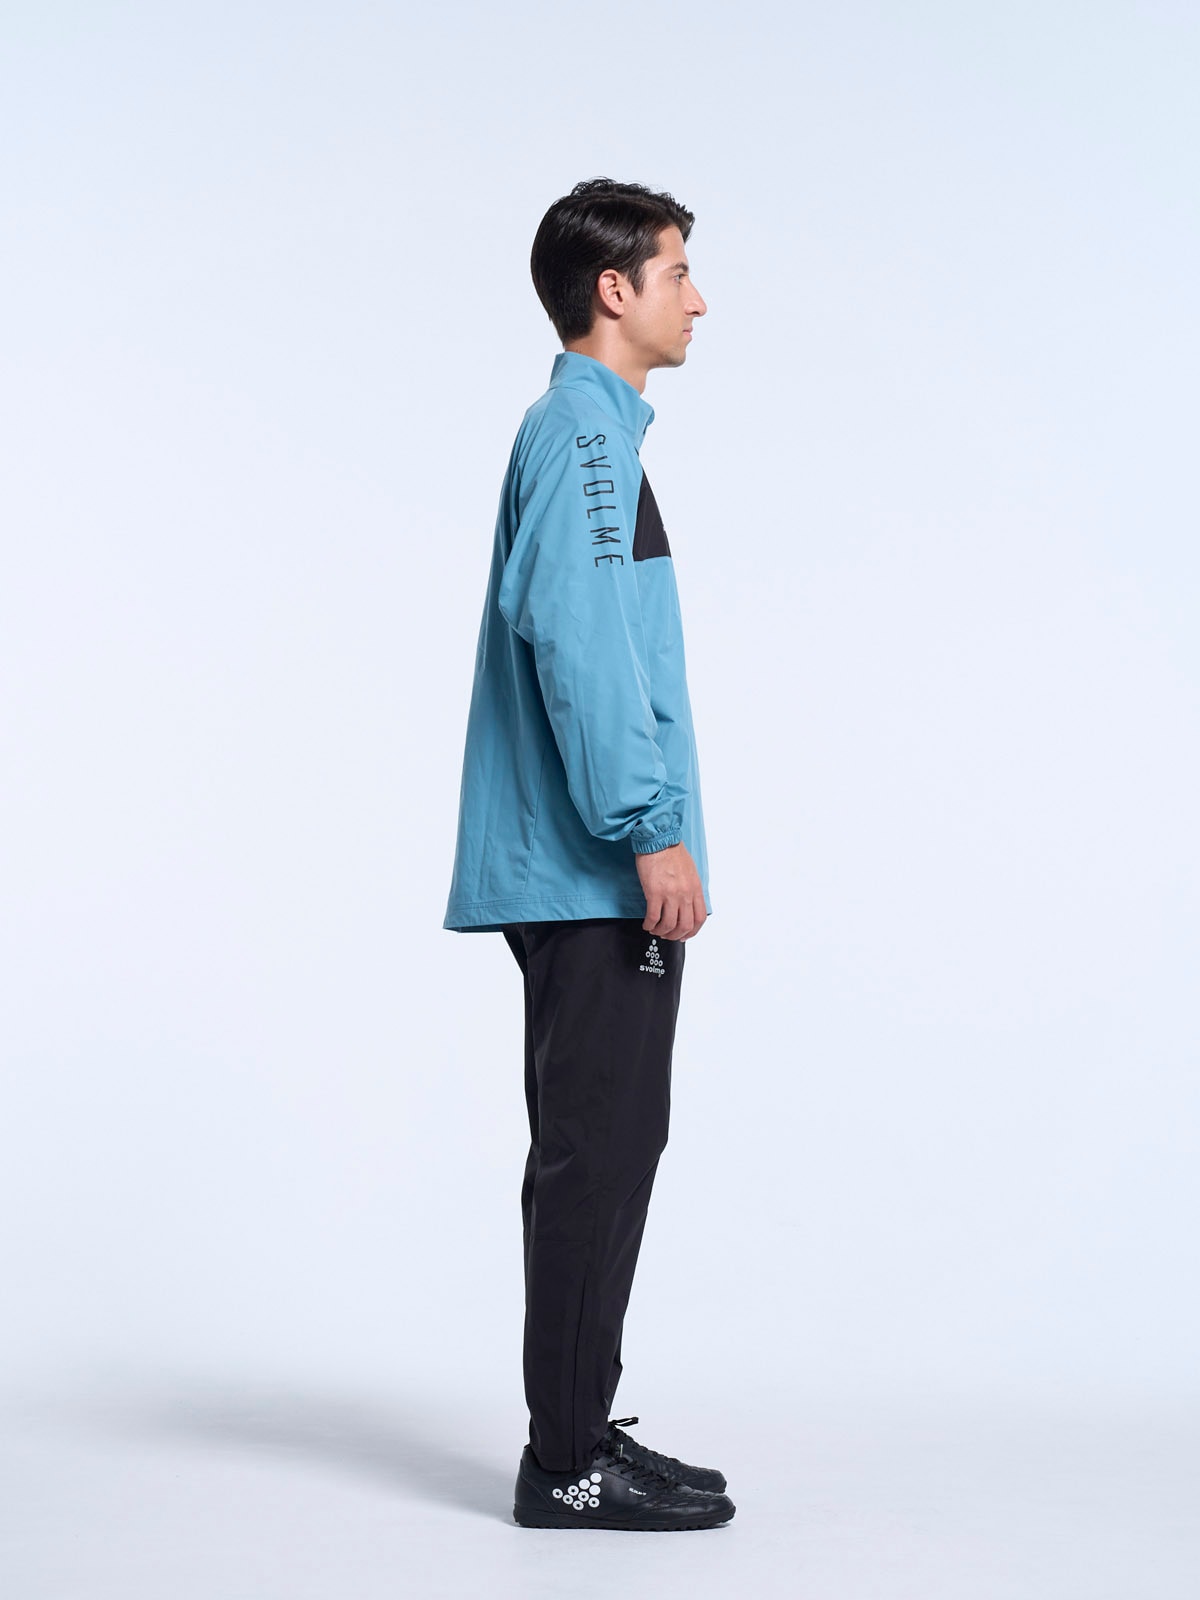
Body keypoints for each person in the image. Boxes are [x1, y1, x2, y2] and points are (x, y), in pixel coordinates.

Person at [443, 179, 733, 1532]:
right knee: (597, 1154)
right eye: (677, 272)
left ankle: (577, 1426)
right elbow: (580, 645)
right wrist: (649, 828)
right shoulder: (582, 436)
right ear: (613, 290)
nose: (698, 299)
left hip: (589, 866)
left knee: (609, 1149)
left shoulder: (596, 433)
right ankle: (565, 1462)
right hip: (594, 868)